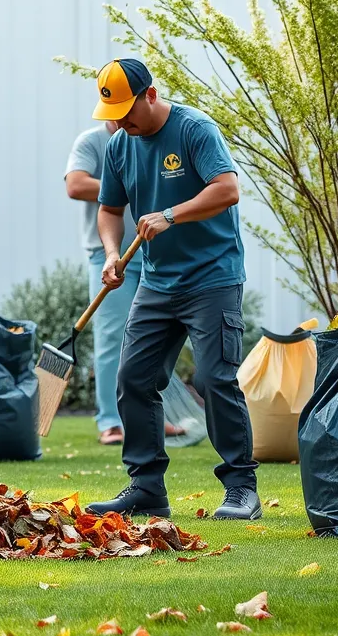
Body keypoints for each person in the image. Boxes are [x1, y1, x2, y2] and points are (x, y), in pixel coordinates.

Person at [85, 58, 260, 521]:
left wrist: (170, 214)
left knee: (214, 379)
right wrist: (109, 253)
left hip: (213, 278)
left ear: (152, 94)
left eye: (127, 110)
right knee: (133, 379)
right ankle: (145, 488)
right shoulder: (120, 145)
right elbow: (109, 211)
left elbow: (227, 190)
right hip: (157, 282)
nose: (122, 122)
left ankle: (242, 487)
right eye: (113, 114)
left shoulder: (195, 129)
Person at [65, 121, 186, 446]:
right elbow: (75, 185)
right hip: (109, 256)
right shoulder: (92, 141)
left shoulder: (156, 135)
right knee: (112, 337)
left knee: (156, 335)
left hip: (158, 253)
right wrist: (126, 184)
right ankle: (111, 422)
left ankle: (152, 419)